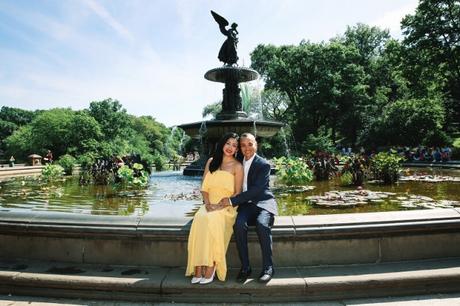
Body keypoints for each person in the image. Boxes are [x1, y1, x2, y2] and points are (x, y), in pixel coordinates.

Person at [219, 133, 278, 283]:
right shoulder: (237, 161)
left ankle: (268, 268)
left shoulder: (263, 164)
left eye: (250, 144)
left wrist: (231, 201)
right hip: (246, 204)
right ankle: (245, 267)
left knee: (262, 224)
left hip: (263, 203)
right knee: (238, 225)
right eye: (243, 145)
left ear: (256, 145)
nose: (247, 148)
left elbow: (256, 190)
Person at [186, 132, 243, 284]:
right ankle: (198, 267)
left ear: (237, 149)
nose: (230, 147)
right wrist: (207, 204)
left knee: (212, 219)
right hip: (209, 203)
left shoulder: (238, 166)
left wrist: (220, 205)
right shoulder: (212, 161)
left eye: (234, 145)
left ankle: (210, 266)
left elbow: (238, 193)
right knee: (200, 217)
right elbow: (204, 187)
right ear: (222, 144)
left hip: (227, 206)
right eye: (228, 143)